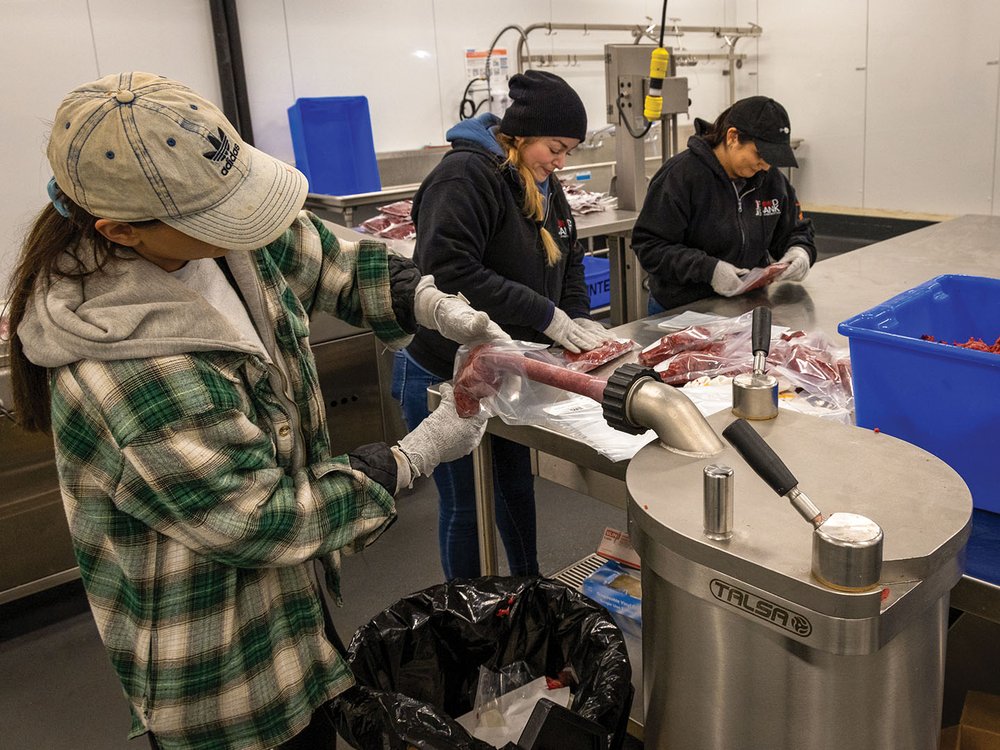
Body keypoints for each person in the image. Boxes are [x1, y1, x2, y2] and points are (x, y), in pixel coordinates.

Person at [5, 72, 508, 750]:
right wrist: (416, 453)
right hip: (221, 668)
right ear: (119, 230)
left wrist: (436, 307)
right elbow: (261, 519)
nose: (236, 224)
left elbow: (324, 254)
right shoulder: (126, 368)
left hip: (293, 612)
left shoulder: (206, 233)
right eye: (215, 217)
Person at [393, 70, 614, 581]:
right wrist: (545, 315)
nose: (560, 163)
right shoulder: (464, 178)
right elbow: (449, 271)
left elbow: (569, 257)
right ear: (520, 135)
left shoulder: (542, 181)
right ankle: (470, 619)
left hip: (506, 368)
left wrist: (577, 313)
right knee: (467, 505)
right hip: (442, 373)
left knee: (515, 487)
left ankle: (528, 593)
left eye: (568, 153)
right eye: (555, 148)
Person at [633, 95, 817, 314]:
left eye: (772, 159)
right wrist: (710, 270)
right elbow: (650, 246)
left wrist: (800, 251)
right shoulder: (681, 176)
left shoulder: (772, 180)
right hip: (684, 310)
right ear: (733, 137)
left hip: (747, 307)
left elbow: (795, 230)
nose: (766, 166)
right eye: (760, 154)